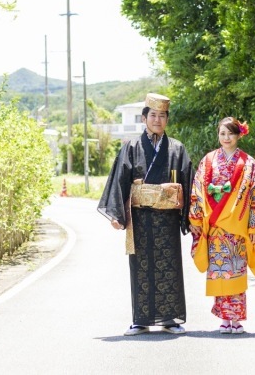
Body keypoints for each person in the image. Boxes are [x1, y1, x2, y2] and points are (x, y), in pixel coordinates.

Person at [97, 93, 193, 336]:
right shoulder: (131, 147)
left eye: (162, 116)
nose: (157, 120)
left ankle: (170, 318)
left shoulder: (177, 149)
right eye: (153, 115)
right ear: (144, 118)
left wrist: (190, 219)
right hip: (140, 219)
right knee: (140, 267)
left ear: (167, 120)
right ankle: (140, 320)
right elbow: (120, 180)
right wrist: (118, 214)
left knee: (169, 266)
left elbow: (188, 183)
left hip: (167, 219)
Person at [189, 117, 255, 334]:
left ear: (238, 135)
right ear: (218, 135)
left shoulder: (248, 163)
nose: (226, 138)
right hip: (216, 226)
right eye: (222, 134)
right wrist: (196, 219)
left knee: (236, 271)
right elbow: (198, 190)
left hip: (238, 226)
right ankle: (223, 319)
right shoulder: (208, 160)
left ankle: (236, 319)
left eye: (230, 134)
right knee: (220, 271)